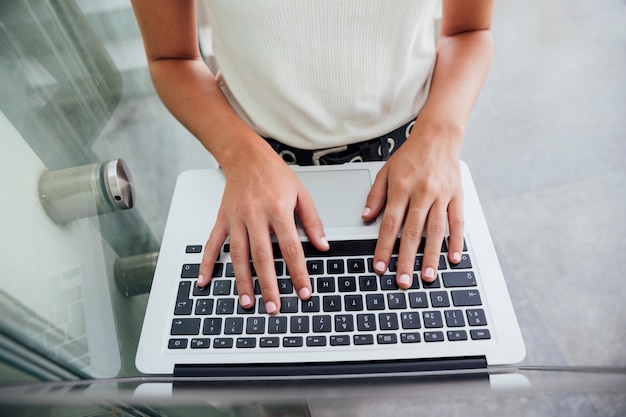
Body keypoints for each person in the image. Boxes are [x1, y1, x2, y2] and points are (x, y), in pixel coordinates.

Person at [131, 0, 495, 315]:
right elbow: (171, 57)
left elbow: (468, 31)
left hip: (412, 159)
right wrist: (239, 154)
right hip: (253, 166)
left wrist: (440, 138)